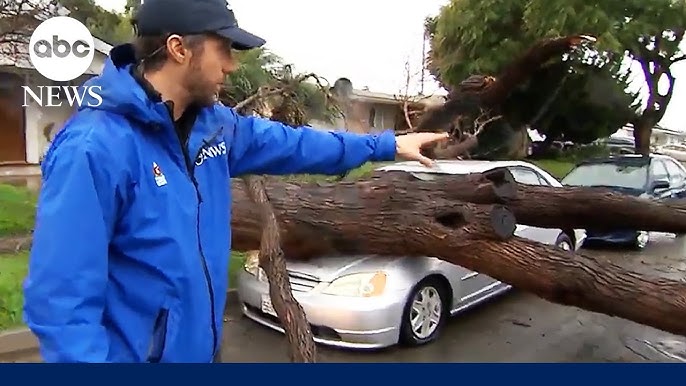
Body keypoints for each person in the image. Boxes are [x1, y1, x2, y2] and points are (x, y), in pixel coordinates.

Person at [22, 0, 449, 363]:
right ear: (178, 48)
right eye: (223, 48)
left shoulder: (214, 128)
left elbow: (298, 145)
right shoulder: (94, 148)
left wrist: (386, 145)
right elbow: (61, 307)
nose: (232, 64)